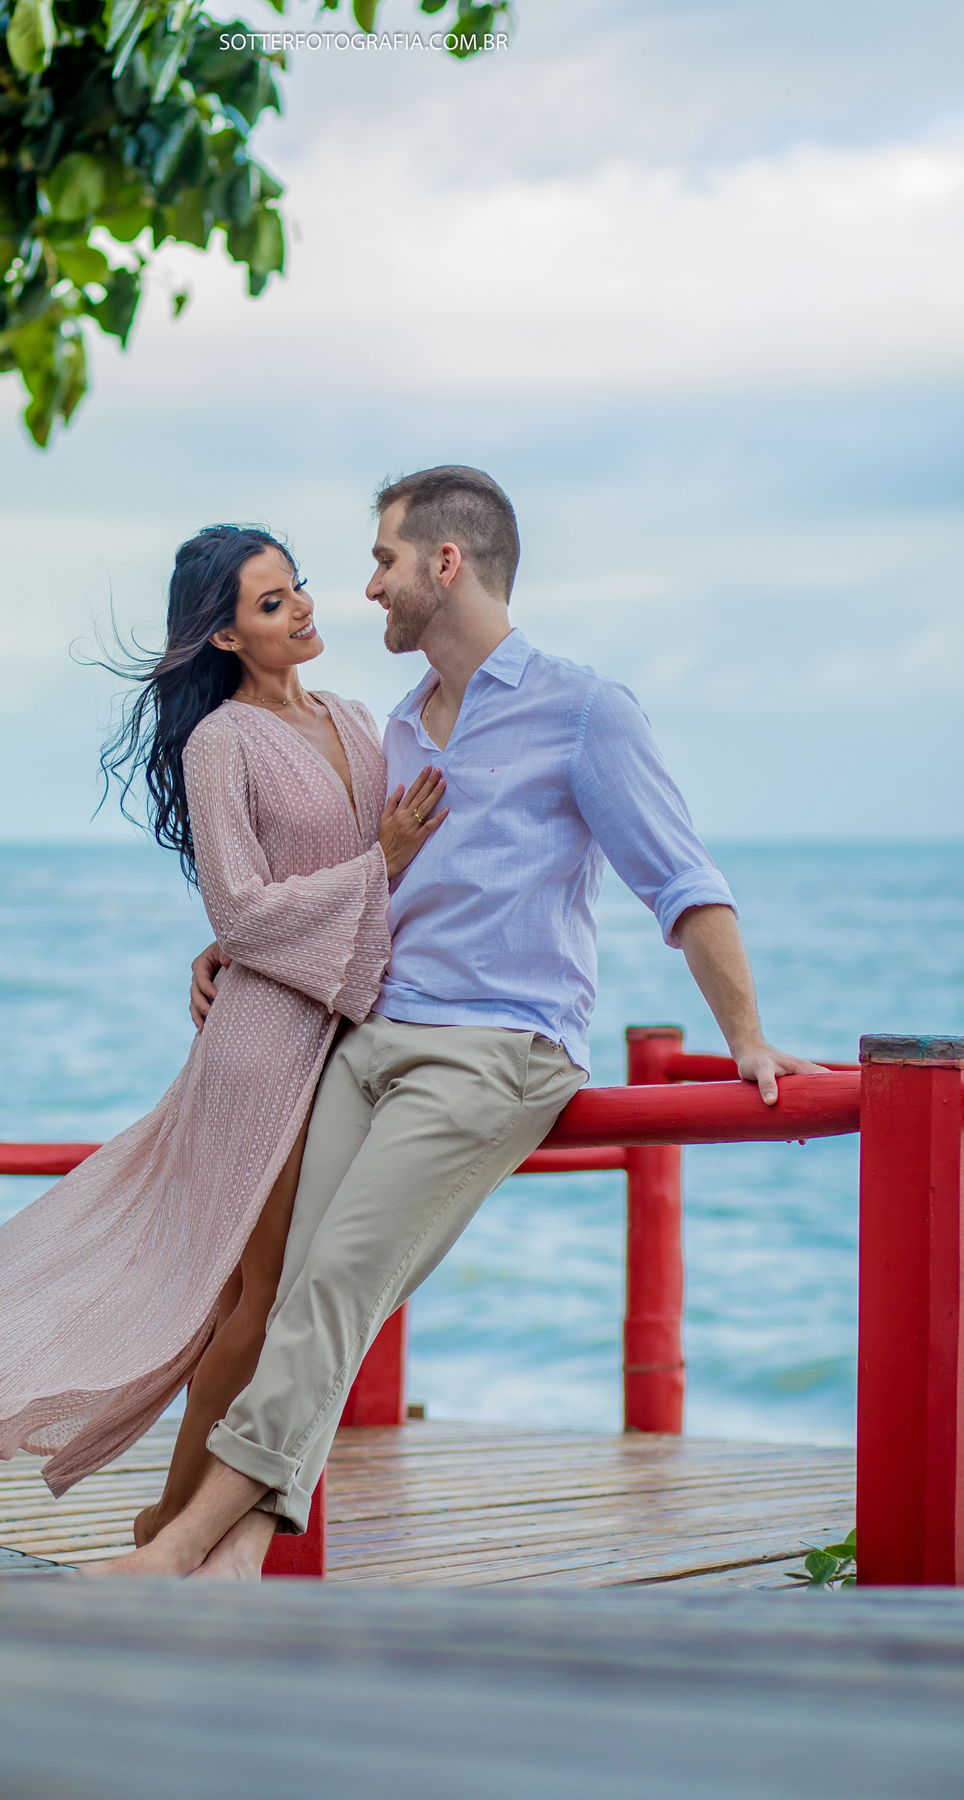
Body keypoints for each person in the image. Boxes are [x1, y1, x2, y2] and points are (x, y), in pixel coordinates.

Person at [97, 465, 822, 1580]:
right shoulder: (396, 726)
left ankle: (181, 1544)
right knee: (298, 1295)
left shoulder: (584, 708)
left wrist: (747, 1035)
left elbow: (682, 882)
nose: (364, 588)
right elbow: (346, 880)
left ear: (444, 564)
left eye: (382, 560)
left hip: (496, 1047)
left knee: (337, 1282)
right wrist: (235, 946)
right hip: (372, 1038)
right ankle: (235, 1564)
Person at [0, 524, 445, 1528]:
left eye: (297, 587)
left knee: (262, 1297)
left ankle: (169, 1527)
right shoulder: (222, 742)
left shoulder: (360, 721)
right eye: (270, 603)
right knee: (261, 1296)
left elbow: (377, 885)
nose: (301, 608)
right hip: (263, 1047)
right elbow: (243, 910)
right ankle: (176, 1528)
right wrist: (372, 868)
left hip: (345, 1035)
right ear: (224, 637)